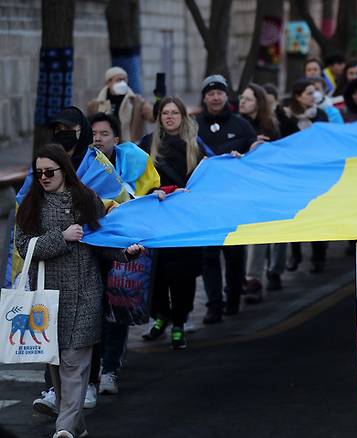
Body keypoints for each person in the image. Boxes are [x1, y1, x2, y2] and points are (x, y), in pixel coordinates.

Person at [15, 143, 144, 438]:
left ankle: (64, 429)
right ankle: (76, 426)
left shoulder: (87, 200)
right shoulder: (31, 205)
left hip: (84, 293)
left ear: (65, 170)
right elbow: (25, 247)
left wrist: (125, 253)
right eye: (39, 174)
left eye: (49, 172)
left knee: (74, 364)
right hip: (46, 298)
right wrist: (61, 237)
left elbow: (104, 242)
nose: (44, 178)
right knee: (57, 367)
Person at [87, 112, 160, 397]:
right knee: (92, 312)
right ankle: (91, 374)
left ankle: (110, 369)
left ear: (116, 139)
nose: (97, 138)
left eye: (104, 134)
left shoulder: (135, 162)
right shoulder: (82, 166)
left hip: (122, 248)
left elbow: (148, 195)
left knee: (117, 309)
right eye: (93, 134)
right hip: (90, 247)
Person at [140, 96, 207, 348]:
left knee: (183, 275)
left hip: (184, 222)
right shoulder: (147, 144)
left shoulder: (194, 145)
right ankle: (161, 316)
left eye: (174, 113)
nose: (169, 117)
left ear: (182, 117)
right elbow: (137, 180)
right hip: (156, 220)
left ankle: (179, 322)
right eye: (164, 113)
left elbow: (208, 176)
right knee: (155, 274)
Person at [195, 75, 257, 323]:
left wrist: (247, 154)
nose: (215, 97)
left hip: (233, 201)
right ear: (204, 97)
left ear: (226, 95)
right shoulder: (194, 126)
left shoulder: (241, 125)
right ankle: (214, 305)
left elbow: (256, 154)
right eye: (210, 93)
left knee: (234, 254)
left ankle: (233, 298)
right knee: (209, 256)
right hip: (205, 202)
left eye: (220, 92)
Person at [237, 83, 287, 300]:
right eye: (241, 98)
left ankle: (275, 270)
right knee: (253, 233)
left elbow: (281, 150)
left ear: (258, 102)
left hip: (269, 185)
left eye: (248, 98)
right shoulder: (236, 124)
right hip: (243, 187)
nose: (242, 102)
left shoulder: (271, 124)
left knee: (276, 232)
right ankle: (252, 278)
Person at [281, 79, 330, 273]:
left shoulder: (321, 115)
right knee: (296, 214)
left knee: (318, 214)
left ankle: (319, 256)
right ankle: (295, 252)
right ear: (298, 96)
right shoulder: (286, 117)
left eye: (314, 92)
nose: (313, 96)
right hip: (294, 173)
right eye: (309, 93)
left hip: (318, 172)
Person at [87, 66, 154, 142]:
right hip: (106, 146)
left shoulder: (136, 101)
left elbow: (153, 116)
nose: (122, 83)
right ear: (108, 82)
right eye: (119, 80)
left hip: (130, 146)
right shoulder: (95, 105)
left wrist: (158, 102)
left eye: (124, 79)